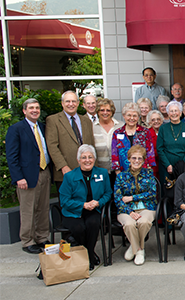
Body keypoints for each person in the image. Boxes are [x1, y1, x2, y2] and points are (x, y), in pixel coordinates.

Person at [6, 99, 52, 254]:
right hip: (26, 176)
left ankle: (42, 237)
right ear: (24, 111)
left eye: (37, 108)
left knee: (43, 208)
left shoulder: (43, 127)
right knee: (28, 209)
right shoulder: (16, 129)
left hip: (44, 172)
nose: (35, 110)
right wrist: (18, 177)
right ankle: (27, 241)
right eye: (31, 108)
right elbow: (12, 156)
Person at [59, 145, 111, 270]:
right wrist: (83, 205)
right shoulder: (69, 176)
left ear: (94, 158)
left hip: (94, 209)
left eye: (90, 157)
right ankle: (88, 255)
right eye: (83, 157)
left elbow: (108, 193)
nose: (87, 160)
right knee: (79, 228)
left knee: (93, 224)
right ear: (78, 160)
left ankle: (88, 253)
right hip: (73, 211)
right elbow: (64, 201)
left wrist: (98, 203)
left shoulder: (102, 173)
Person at [114, 145, 157, 266]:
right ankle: (139, 249)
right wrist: (129, 212)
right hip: (126, 210)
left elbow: (152, 193)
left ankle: (135, 247)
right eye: (134, 158)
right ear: (128, 159)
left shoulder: (148, 173)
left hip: (146, 207)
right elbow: (118, 198)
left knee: (144, 222)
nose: (136, 161)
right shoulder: (121, 176)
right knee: (129, 224)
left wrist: (132, 198)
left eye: (140, 158)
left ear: (143, 160)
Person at [46, 91, 94, 192]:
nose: (71, 104)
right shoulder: (53, 120)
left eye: (73, 101)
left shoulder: (86, 121)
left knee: (87, 202)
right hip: (66, 171)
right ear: (62, 103)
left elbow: (91, 145)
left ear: (77, 103)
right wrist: (63, 166)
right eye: (67, 101)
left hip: (86, 170)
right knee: (69, 204)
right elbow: (52, 146)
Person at [156, 101, 185, 188]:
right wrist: (167, 165)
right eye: (171, 111)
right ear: (168, 114)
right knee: (168, 191)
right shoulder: (163, 128)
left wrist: (183, 165)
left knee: (184, 189)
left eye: (176, 111)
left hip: (184, 165)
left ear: (181, 113)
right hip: (166, 165)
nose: (174, 113)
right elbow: (160, 148)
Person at [111, 102, 156, 174]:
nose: (132, 118)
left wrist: (148, 173)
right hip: (124, 172)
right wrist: (119, 174)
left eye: (134, 116)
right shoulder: (117, 133)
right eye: (129, 115)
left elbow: (150, 154)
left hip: (142, 172)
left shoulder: (145, 132)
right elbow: (114, 155)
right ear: (124, 116)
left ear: (138, 117)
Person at [93, 98, 121, 185]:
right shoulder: (92, 127)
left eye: (108, 110)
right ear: (98, 111)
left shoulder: (120, 126)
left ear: (112, 112)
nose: (105, 113)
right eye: (102, 110)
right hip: (99, 171)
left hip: (119, 171)